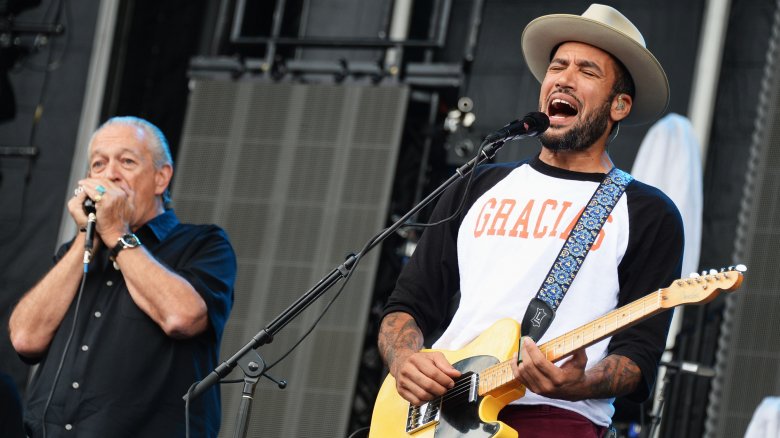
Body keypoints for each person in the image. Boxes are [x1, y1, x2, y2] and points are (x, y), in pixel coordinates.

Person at [377, 4, 684, 437]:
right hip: (437, 419)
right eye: (557, 66)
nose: (563, 77)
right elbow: (406, 307)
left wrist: (580, 384)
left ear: (619, 105)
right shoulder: (477, 184)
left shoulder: (647, 212)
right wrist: (405, 360)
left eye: (587, 71)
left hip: (556, 420)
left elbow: (637, 357)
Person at [8, 116, 236, 437]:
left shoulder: (203, 243)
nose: (110, 174)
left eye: (126, 161)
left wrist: (116, 232)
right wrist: (85, 238)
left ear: (161, 178)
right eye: (98, 164)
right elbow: (25, 339)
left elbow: (181, 317)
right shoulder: (76, 252)